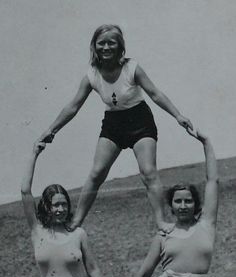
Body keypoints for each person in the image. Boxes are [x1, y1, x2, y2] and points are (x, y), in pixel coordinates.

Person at [39, 24, 193, 230]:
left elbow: (155, 93)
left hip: (140, 121)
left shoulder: (132, 68)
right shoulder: (92, 75)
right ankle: (75, 222)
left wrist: (178, 115)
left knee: (148, 171)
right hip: (114, 125)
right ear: (94, 46)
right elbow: (73, 106)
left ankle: (162, 222)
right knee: (96, 172)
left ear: (120, 46)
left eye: (111, 42)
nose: (106, 47)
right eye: (101, 43)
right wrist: (52, 129)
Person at [111, 128, 219, 277]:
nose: (183, 205)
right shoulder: (164, 234)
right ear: (171, 205)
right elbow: (144, 274)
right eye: (178, 201)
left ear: (196, 204)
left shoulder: (206, 225)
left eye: (188, 200)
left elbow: (213, 180)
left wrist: (206, 143)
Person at [21, 140, 114, 277]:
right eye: (55, 205)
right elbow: (25, 191)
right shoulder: (37, 231)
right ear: (46, 206)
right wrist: (34, 154)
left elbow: (93, 268)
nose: (61, 209)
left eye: (64, 204)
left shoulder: (78, 233)